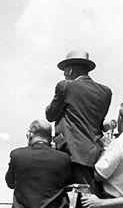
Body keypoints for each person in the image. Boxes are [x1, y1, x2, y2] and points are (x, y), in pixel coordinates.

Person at [44, 49, 113, 188]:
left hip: (70, 155)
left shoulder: (65, 86)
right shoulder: (105, 92)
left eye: (64, 71)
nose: (64, 74)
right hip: (95, 156)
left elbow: (50, 115)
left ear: (69, 71)